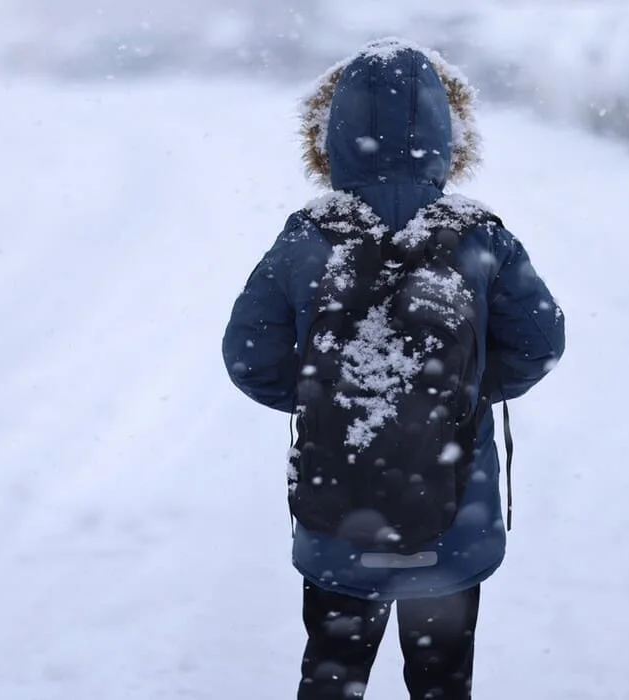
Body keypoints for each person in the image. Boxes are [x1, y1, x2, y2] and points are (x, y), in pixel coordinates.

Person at [221, 38, 565, 699]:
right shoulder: (479, 233)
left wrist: (326, 395)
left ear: (330, 134)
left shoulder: (308, 235)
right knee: (441, 681)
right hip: (454, 514)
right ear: (448, 132)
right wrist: (462, 390)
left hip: (338, 508)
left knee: (332, 675)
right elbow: (540, 343)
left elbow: (248, 358)